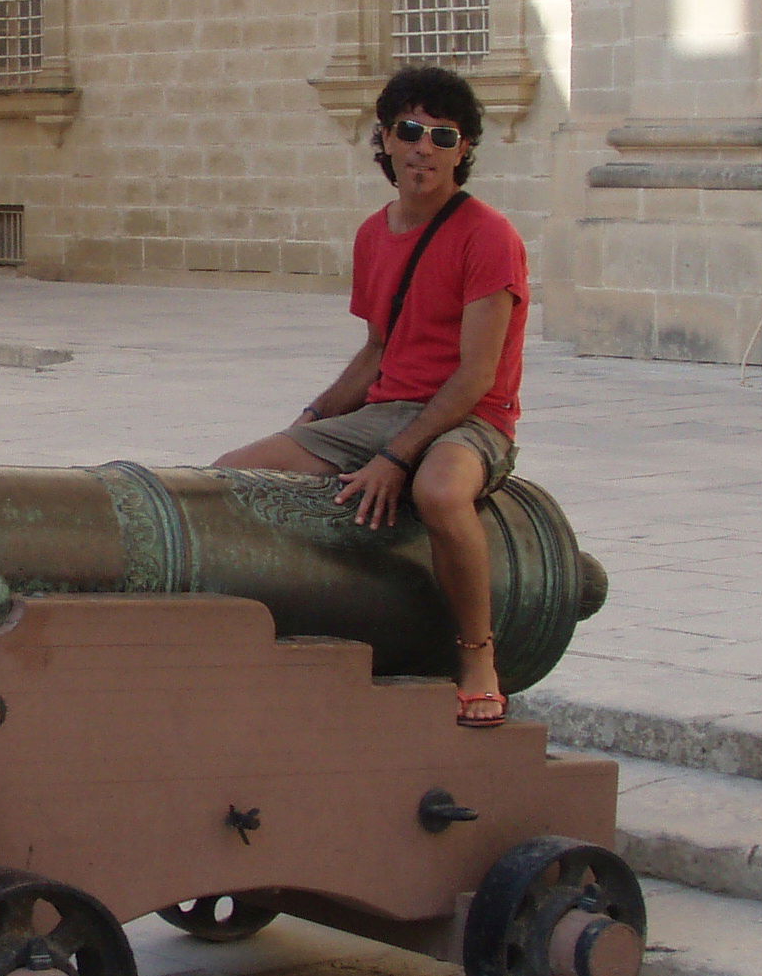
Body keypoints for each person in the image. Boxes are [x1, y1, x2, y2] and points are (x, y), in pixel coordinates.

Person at [216, 65, 529, 728]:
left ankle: (477, 658)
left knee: (439, 492)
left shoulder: (488, 236)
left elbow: (477, 375)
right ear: (384, 139)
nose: (424, 149)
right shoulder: (372, 234)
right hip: (387, 410)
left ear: (465, 149)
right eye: (410, 131)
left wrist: (397, 456)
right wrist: (311, 420)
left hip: (470, 418)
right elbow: (378, 351)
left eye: (443, 136)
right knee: (232, 477)